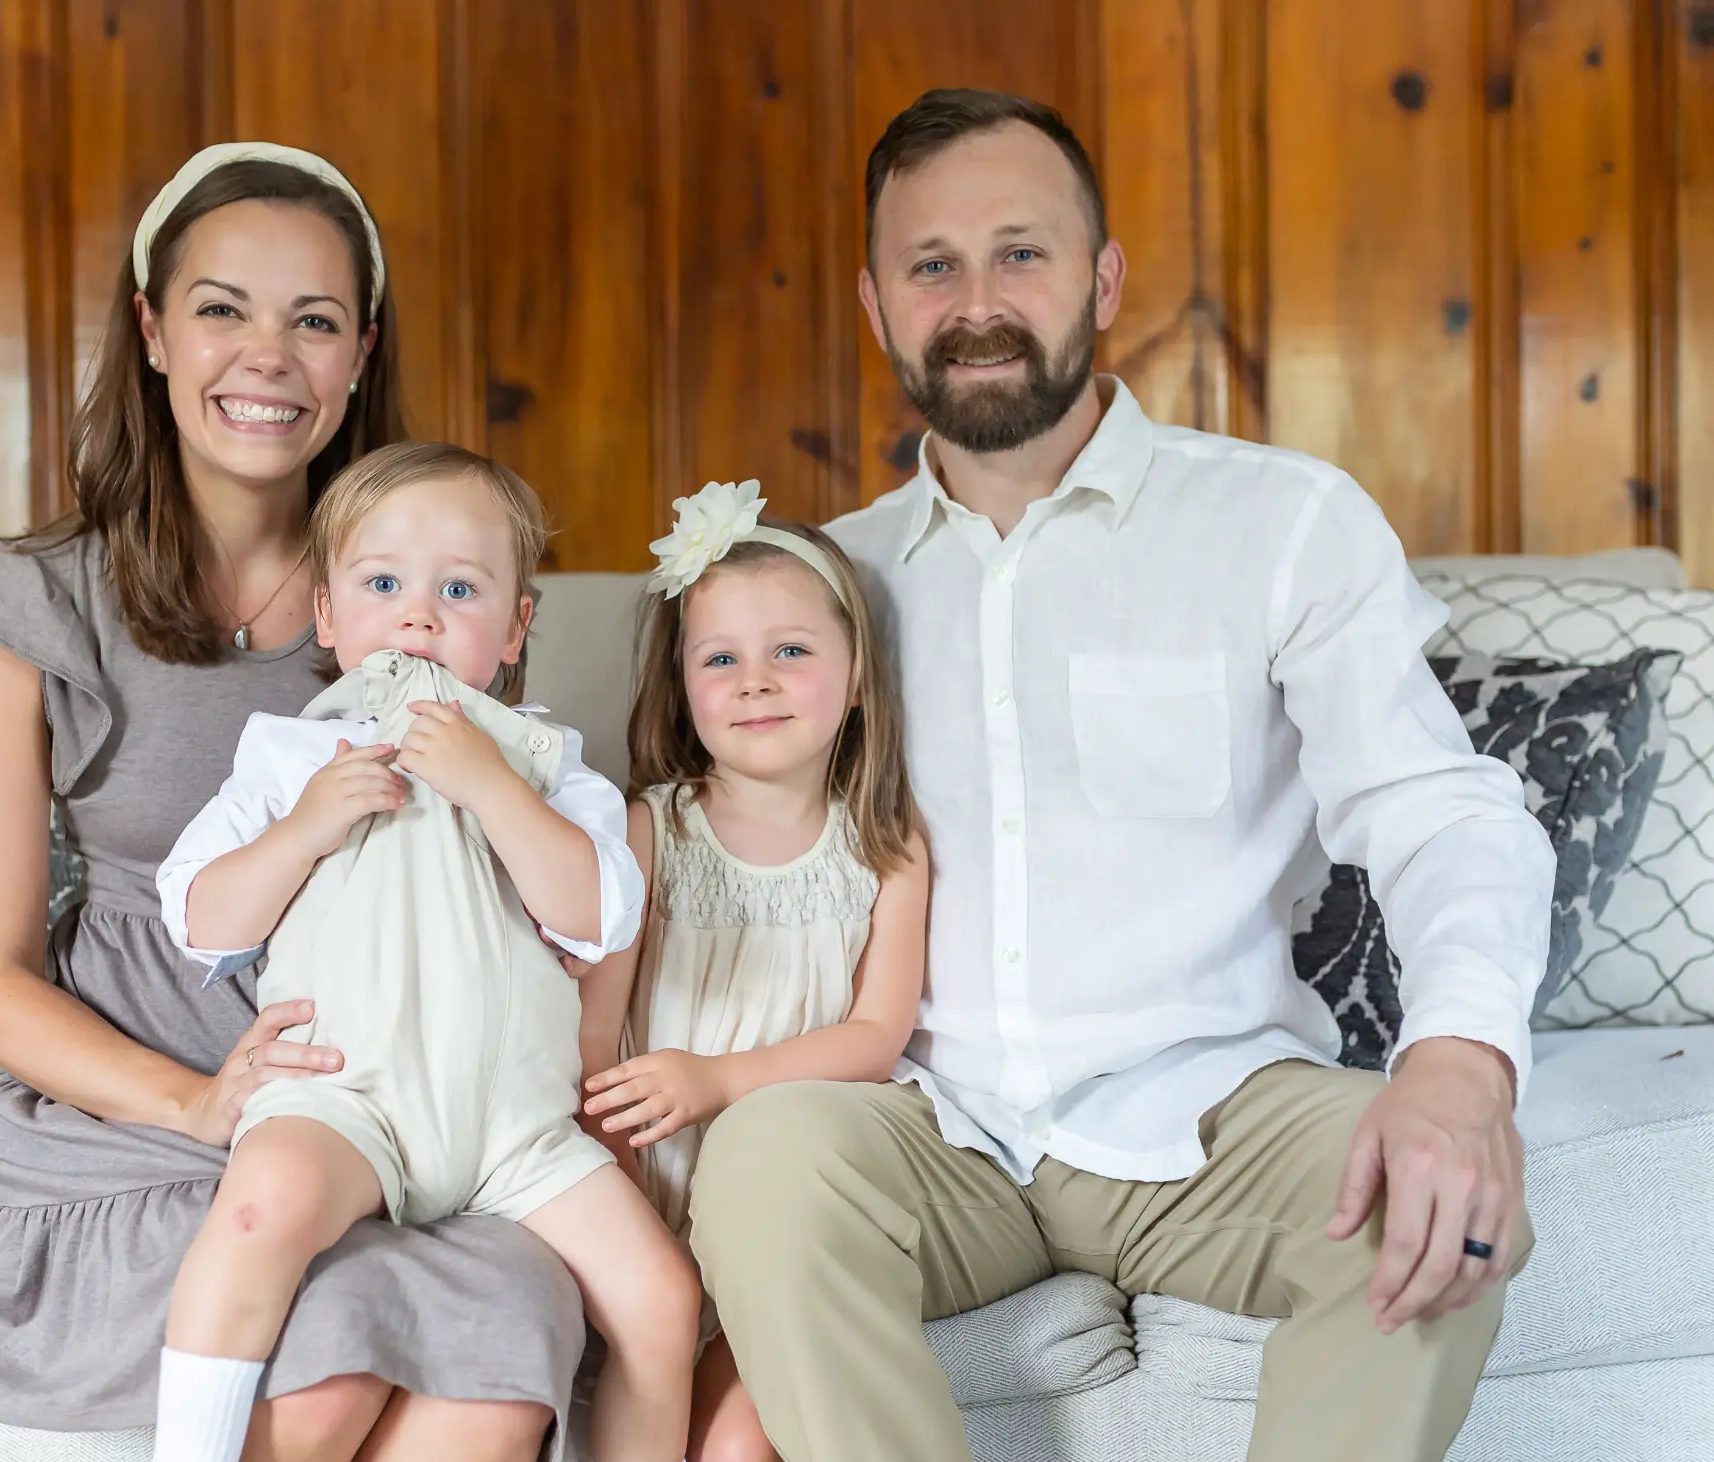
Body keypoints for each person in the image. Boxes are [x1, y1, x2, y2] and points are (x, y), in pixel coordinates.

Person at [685, 89, 1554, 1462]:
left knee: (1442, 1203)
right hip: (931, 1127)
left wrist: (1457, 1062)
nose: (977, 299)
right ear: (875, 304)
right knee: (764, 1161)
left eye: (1020, 252)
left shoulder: (1280, 522)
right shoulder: (822, 587)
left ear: (1104, 278)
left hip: (1207, 1114)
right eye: (932, 265)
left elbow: (1436, 809)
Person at [0, 143, 595, 1462]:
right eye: (222, 308)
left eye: (314, 320)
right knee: (343, 1343)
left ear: (360, 354)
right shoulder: (29, 607)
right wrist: (195, 1103)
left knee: (515, 1322)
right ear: (153, 332)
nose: (267, 356)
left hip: (381, 1099)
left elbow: (526, 866)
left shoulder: (425, 591)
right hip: (132, 1105)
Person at [153, 441, 700, 1462]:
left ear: (513, 628)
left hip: (513, 1129)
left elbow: (600, 914)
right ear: (327, 616)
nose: (418, 615)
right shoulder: (292, 755)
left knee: (663, 1299)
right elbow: (198, 917)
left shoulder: (546, 765)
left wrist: (491, 783)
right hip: (343, 1096)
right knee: (255, 1212)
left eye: (458, 588)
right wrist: (302, 830)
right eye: (382, 585)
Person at [576, 482, 930, 1462]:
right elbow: (588, 1042)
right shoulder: (651, 831)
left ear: (857, 677)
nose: (753, 680)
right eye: (719, 657)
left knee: (735, 1447)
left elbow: (875, 1035)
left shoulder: (888, 846)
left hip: (789, 1226)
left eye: (790, 652)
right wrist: (616, 1204)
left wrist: (719, 1081)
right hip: (645, 1193)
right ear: (683, 686)